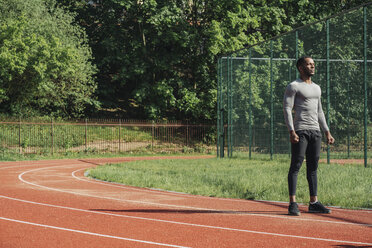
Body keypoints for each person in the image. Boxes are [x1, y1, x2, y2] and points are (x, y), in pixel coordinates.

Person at [283, 56, 335, 216]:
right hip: (301, 131)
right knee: (296, 165)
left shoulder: (317, 88)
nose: (312, 66)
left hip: (315, 132)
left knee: (313, 167)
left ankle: (314, 202)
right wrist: (291, 130)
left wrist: (326, 131)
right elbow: (287, 108)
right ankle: (293, 203)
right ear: (301, 67)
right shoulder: (294, 86)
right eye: (309, 64)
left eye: (313, 64)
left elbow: (320, 111)